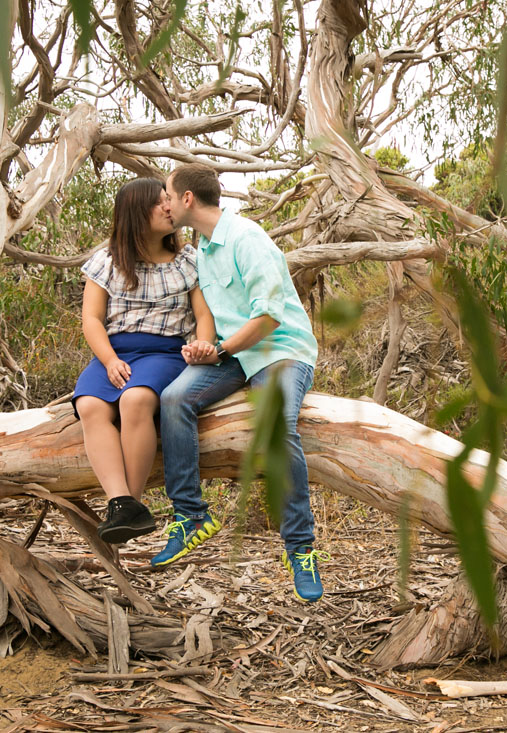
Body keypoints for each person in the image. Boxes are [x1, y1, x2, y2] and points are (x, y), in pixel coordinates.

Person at [154, 162, 326, 603]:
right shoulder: (203, 249)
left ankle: (300, 548)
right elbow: (213, 320)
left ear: (187, 199)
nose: (165, 204)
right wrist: (202, 349)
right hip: (233, 355)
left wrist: (223, 350)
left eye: (169, 196)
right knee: (173, 398)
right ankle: (191, 515)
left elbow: (268, 318)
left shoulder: (248, 239)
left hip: (277, 350)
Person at [73, 177, 216, 545]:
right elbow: (91, 319)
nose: (169, 207)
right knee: (89, 405)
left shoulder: (187, 261)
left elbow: (203, 315)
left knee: (135, 399)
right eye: (160, 202)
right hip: (116, 352)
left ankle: (131, 504)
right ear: (136, 212)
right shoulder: (106, 261)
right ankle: (120, 502)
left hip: (165, 351)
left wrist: (203, 345)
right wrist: (108, 360)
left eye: (169, 200)